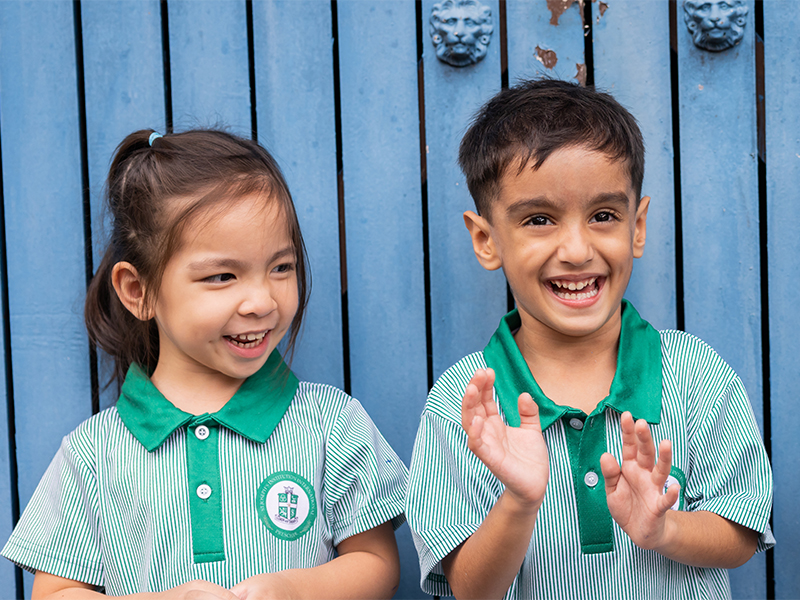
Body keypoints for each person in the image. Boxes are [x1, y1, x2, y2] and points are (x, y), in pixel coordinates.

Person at [405, 79, 774, 599]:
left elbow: (741, 532)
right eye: (539, 219)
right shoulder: (466, 404)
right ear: (487, 240)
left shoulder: (696, 375)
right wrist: (519, 501)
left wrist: (663, 529)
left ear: (637, 226)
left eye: (603, 216)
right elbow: (469, 589)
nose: (576, 250)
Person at [3, 129, 408, 599]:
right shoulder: (93, 455)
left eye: (281, 267)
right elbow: (53, 594)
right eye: (222, 276)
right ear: (139, 291)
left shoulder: (330, 423)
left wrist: (290, 591)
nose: (261, 301)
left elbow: (377, 563)